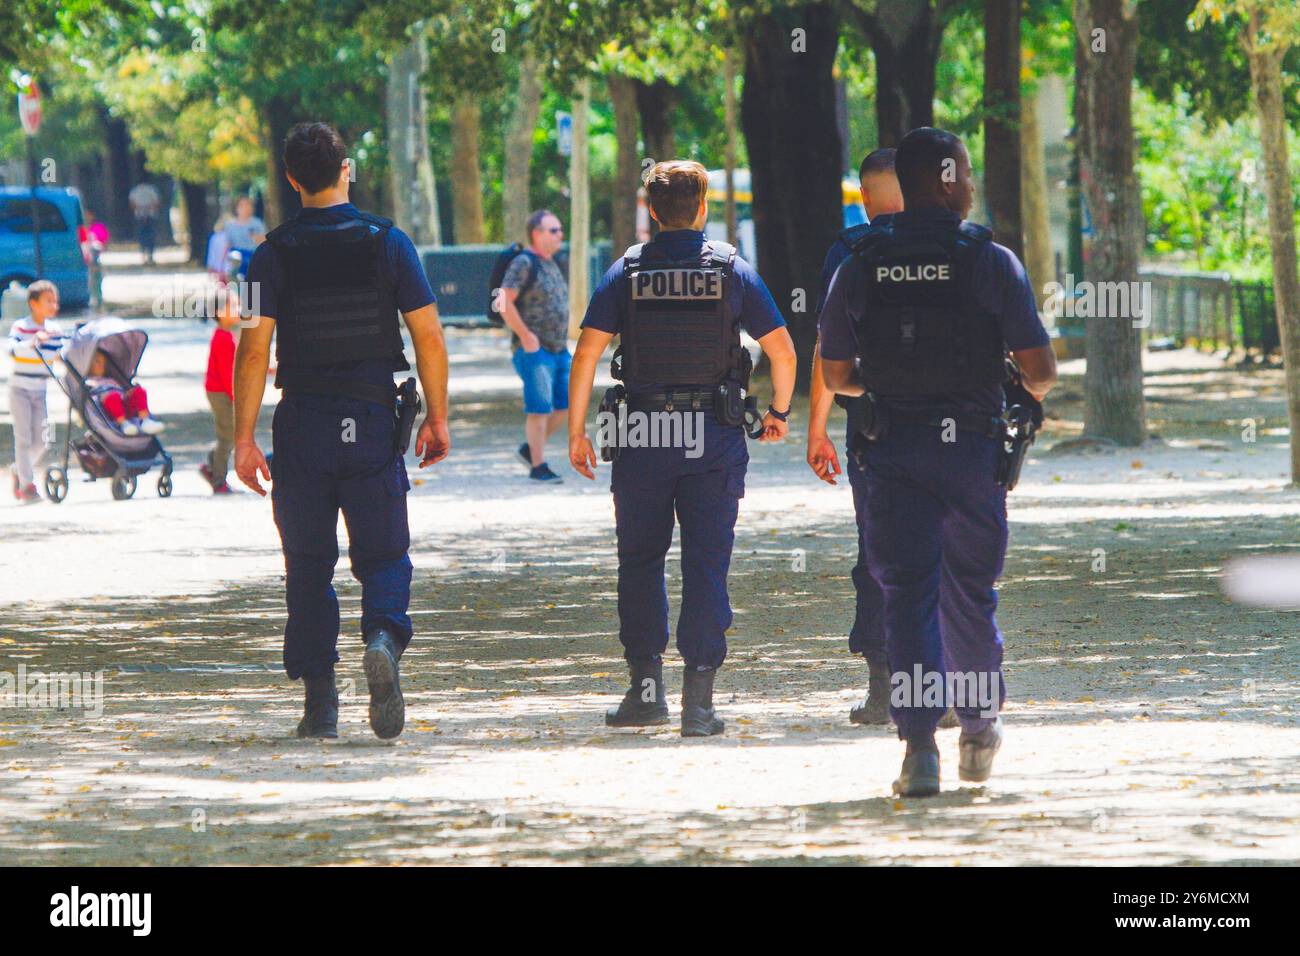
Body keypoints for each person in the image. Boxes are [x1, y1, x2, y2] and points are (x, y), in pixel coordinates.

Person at [819, 127, 1057, 796]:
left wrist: (893, 384)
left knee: (907, 596)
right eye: (969, 175)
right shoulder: (990, 260)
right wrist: (1002, 383)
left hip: (893, 451)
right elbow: (1041, 371)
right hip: (972, 455)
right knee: (970, 595)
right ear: (948, 180)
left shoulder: (860, 261)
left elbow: (836, 372)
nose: (975, 186)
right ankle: (979, 728)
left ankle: (919, 750)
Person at [233, 121, 451, 741]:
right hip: (372, 423)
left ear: (292, 178)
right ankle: (382, 636)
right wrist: (436, 416)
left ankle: (320, 703)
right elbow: (428, 336)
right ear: (346, 169)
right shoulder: (389, 243)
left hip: (303, 424)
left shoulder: (270, 253)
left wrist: (243, 438)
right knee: (383, 552)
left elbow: (253, 352)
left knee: (307, 563)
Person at [569, 160, 797, 737]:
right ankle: (698, 706)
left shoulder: (627, 270)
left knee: (640, 562)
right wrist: (778, 414)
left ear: (651, 212)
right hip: (713, 437)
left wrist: (574, 432)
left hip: (643, 435)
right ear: (702, 210)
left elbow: (587, 354)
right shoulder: (731, 270)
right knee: (706, 564)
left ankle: (646, 695)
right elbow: (785, 353)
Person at [807, 148, 903, 726]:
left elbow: (828, 347)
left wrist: (816, 428)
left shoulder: (850, 252)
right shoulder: (965, 246)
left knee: (878, 550)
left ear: (863, 199)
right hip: (955, 426)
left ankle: (884, 687)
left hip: (874, 422)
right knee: (945, 549)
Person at [497, 209, 570, 483]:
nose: (559, 234)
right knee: (540, 408)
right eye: (553, 230)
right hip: (534, 351)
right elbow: (504, 300)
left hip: (559, 349)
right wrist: (526, 336)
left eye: (560, 230)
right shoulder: (524, 262)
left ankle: (530, 449)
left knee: (563, 406)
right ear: (536, 234)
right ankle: (538, 466)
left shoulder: (551, 262)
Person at [6, 280, 65, 502]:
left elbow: (61, 355)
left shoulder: (55, 331)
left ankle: (20, 469)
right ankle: (27, 485)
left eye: (55, 301)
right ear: (33, 303)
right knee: (23, 438)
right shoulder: (21, 327)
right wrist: (31, 342)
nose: (53, 305)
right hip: (19, 389)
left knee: (42, 440)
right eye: (48, 301)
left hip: (39, 391)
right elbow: (11, 350)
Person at [200, 287, 241, 494]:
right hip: (221, 392)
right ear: (220, 312)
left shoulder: (225, 335)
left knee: (228, 433)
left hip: (219, 391)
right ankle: (218, 478)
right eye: (233, 306)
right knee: (228, 435)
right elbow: (227, 375)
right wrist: (236, 398)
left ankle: (212, 465)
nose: (238, 309)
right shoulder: (224, 339)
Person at [221, 197, 266, 279]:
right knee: (237, 260)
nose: (246, 207)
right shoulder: (230, 225)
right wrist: (222, 265)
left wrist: (256, 237)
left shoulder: (257, 223)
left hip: (252, 256)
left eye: (248, 204)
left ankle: (252, 290)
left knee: (253, 281)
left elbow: (264, 242)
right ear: (237, 208)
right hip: (237, 258)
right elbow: (227, 245)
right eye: (242, 205)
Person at [78, 209, 109, 313]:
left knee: (97, 280)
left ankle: (99, 300)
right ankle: (90, 299)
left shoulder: (98, 227)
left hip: (96, 258)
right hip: (84, 259)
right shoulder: (80, 229)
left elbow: (104, 242)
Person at [128, 182, 161, 265]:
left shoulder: (135, 191)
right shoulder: (152, 190)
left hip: (139, 216)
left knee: (142, 235)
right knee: (151, 235)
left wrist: (140, 209)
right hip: (151, 215)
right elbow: (156, 202)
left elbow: (132, 204)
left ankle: (143, 254)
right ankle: (150, 255)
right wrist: (149, 208)